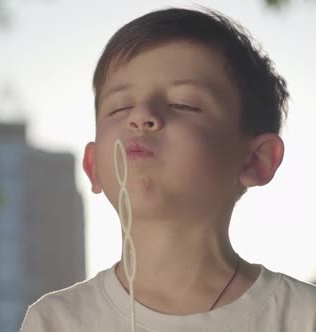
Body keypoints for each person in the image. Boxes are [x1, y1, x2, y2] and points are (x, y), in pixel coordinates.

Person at [20, 7, 316, 332]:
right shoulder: (56, 321)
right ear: (93, 167)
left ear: (256, 160)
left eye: (182, 104)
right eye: (120, 107)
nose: (141, 115)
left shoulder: (302, 316)